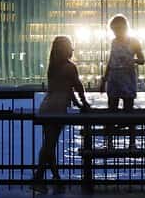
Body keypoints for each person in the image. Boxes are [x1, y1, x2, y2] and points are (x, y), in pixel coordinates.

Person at [33, 35, 90, 184]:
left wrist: (77, 103)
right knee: (50, 145)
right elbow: (77, 86)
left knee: (49, 143)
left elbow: (67, 88)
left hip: (46, 106)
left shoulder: (53, 67)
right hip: (58, 109)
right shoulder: (70, 67)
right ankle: (39, 175)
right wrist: (83, 103)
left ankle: (54, 175)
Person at [99, 14, 145, 147]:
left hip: (127, 79)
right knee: (111, 110)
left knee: (128, 111)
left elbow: (142, 59)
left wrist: (133, 60)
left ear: (124, 27)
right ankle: (110, 141)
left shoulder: (134, 41)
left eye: (117, 29)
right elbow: (110, 61)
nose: (116, 32)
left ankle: (131, 142)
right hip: (114, 79)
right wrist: (104, 80)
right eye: (114, 30)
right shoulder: (114, 42)